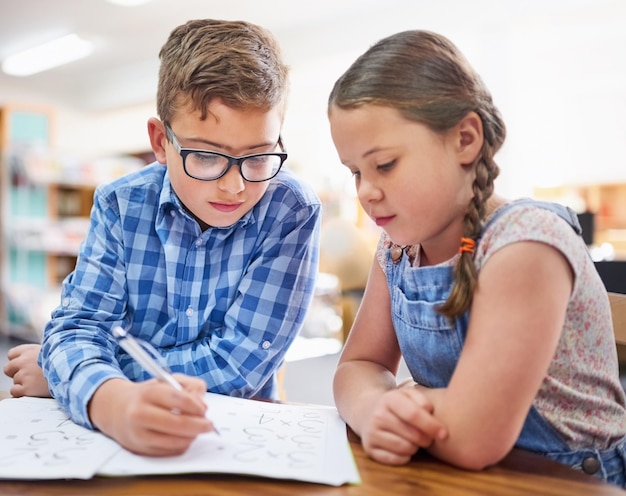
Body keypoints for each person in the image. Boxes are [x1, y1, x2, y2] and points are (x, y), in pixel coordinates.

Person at [3, 18, 321, 457]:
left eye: (258, 156)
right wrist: (109, 401)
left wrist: (79, 378)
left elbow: (239, 362)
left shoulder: (291, 210)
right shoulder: (120, 204)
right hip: (112, 447)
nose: (234, 186)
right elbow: (79, 326)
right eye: (207, 157)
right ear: (160, 141)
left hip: (236, 440)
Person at [327, 29, 626, 487]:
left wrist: (412, 404)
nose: (365, 190)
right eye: (355, 172)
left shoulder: (525, 245)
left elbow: (474, 435)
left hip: (566, 482)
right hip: (459, 476)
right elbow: (357, 366)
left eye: (384, 164)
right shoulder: (397, 251)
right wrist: (374, 409)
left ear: (465, 139)